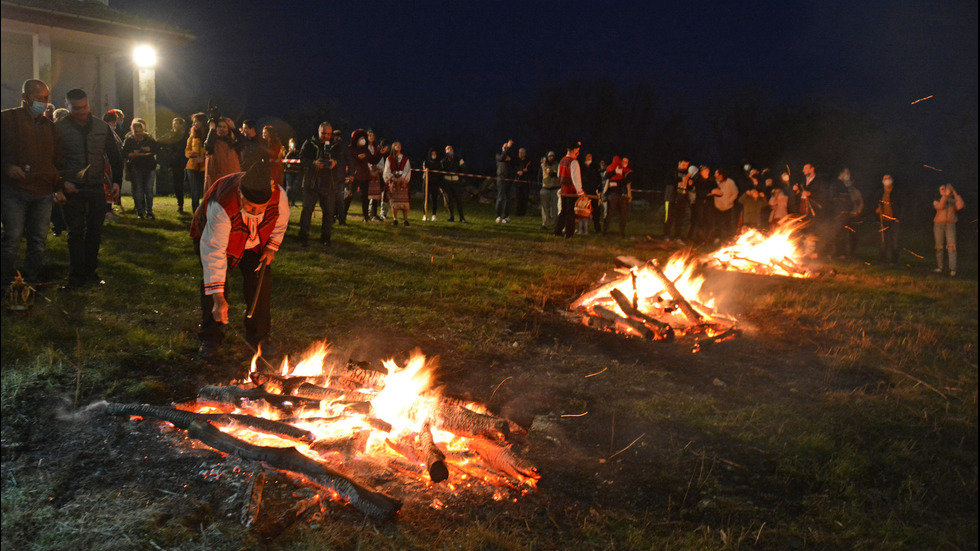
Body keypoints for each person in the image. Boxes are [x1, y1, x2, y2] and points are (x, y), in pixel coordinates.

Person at [190, 158, 289, 361]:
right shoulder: (222, 206)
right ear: (240, 194)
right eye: (249, 206)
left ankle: (259, 337)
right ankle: (210, 337)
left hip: (254, 241)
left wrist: (271, 247)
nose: (253, 212)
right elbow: (214, 254)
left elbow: (280, 224)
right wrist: (219, 299)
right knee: (214, 286)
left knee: (260, 282)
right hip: (216, 240)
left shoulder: (279, 197)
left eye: (258, 210)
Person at [55, 88, 123, 289]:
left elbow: (114, 156)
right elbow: (52, 159)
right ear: (67, 107)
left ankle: (90, 271)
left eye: (84, 107)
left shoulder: (102, 127)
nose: (82, 111)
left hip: (95, 187)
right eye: (76, 108)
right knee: (75, 232)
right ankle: (76, 275)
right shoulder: (58, 129)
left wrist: (117, 181)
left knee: (95, 231)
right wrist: (59, 183)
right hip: (71, 187)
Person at [1, 79, 63, 287]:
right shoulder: (7, 120)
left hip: (43, 192)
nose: (43, 103)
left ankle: (30, 279)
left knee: (38, 240)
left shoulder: (50, 128)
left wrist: (59, 185)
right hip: (14, 191)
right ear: (24, 98)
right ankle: (5, 281)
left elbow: (56, 160)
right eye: (38, 98)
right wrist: (6, 167)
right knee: (12, 238)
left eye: (46, 98)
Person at [299, 121, 349, 246]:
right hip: (312, 182)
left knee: (328, 212)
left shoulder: (336, 145)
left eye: (328, 134)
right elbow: (302, 158)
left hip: (329, 183)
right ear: (318, 131)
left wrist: (334, 162)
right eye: (323, 133)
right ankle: (303, 236)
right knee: (307, 210)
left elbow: (341, 160)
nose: (326, 136)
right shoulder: (309, 143)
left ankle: (326, 238)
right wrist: (314, 163)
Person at [121, 120, 160, 219]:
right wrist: (131, 154)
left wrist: (149, 149)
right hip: (136, 167)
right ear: (132, 131)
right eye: (136, 132)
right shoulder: (129, 140)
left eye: (140, 131)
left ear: (143, 130)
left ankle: (149, 212)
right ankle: (139, 212)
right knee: (138, 190)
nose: (138, 134)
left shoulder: (149, 139)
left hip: (149, 166)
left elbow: (157, 149)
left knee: (149, 190)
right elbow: (123, 152)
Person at [932, 183, 964, 276]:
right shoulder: (936, 201)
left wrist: (954, 192)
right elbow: (941, 206)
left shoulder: (952, 201)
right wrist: (945, 196)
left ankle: (953, 269)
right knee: (939, 247)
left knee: (951, 247)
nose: (944, 190)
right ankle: (940, 267)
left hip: (950, 225)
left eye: (945, 189)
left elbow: (960, 206)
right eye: (942, 189)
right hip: (939, 225)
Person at [554, 140, 584, 239]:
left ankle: (557, 231)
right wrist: (580, 191)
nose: (578, 152)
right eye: (577, 149)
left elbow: (559, 175)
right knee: (570, 213)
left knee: (563, 211)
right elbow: (576, 178)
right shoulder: (573, 162)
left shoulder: (562, 160)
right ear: (574, 149)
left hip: (563, 191)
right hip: (571, 192)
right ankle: (569, 233)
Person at [159, 117, 189, 214]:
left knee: (188, 184)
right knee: (178, 184)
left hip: (186, 161)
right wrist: (168, 153)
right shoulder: (171, 135)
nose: (174, 126)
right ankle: (180, 204)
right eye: (174, 124)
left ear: (181, 125)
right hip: (176, 163)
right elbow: (160, 141)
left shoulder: (186, 136)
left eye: (177, 124)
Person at [204, 117, 242, 191]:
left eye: (224, 127)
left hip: (231, 179)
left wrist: (234, 128)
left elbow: (242, 142)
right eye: (219, 127)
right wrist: (212, 129)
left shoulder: (232, 144)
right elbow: (208, 145)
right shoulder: (212, 143)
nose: (222, 129)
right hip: (215, 179)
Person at [833, 168, 864, 258]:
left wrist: (859, 210)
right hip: (844, 214)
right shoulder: (840, 188)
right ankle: (841, 253)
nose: (847, 176)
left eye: (848, 173)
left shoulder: (855, 190)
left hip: (853, 215)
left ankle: (853, 253)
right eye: (846, 173)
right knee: (841, 234)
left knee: (853, 236)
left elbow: (861, 202)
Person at [872, 174, 901, 266]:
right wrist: (876, 210)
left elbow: (901, 205)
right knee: (883, 241)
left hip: (894, 220)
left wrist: (898, 217)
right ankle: (882, 260)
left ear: (892, 180)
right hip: (882, 220)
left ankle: (894, 261)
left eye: (889, 178)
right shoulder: (880, 192)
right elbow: (874, 204)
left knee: (895, 241)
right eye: (885, 178)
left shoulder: (896, 192)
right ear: (882, 181)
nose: (887, 180)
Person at [602, 156, 632, 238]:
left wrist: (615, 183)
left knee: (617, 214)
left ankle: (608, 232)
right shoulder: (620, 170)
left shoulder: (619, 170)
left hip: (618, 195)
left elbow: (625, 182)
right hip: (616, 195)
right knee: (616, 214)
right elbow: (624, 182)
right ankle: (612, 232)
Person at [384, 142, 412, 226]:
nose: (398, 146)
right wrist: (392, 178)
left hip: (403, 183)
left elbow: (407, 170)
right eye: (396, 145)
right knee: (394, 202)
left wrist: (402, 178)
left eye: (399, 145)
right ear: (393, 147)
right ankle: (395, 219)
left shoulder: (405, 159)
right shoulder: (389, 158)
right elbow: (387, 170)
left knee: (404, 202)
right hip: (393, 182)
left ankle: (406, 219)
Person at [665, 160, 693, 243]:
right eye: (683, 164)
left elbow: (689, 188)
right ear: (679, 163)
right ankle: (666, 236)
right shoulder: (673, 172)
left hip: (683, 199)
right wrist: (681, 179)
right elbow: (669, 181)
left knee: (680, 219)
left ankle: (677, 237)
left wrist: (690, 184)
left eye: (687, 165)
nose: (685, 167)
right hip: (672, 199)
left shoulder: (688, 174)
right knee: (669, 218)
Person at [184, 113, 207, 213]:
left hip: (204, 168)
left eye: (197, 122)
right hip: (192, 167)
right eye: (193, 122)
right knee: (194, 192)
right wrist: (190, 153)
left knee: (205, 192)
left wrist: (203, 158)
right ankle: (196, 213)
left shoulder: (208, 136)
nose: (195, 124)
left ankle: (205, 213)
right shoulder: (192, 136)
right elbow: (186, 150)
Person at [709, 168, 738, 242]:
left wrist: (729, 201)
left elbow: (735, 193)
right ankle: (717, 237)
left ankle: (728, 238)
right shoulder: (714, 182)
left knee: (728, 223)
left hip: (728, 207)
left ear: (720, 175)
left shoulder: (730, 182)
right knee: (717, 223)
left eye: (716, 173)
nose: (715, 175)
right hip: (718, 206)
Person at [441, 145, 467, 222]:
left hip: (456, 183)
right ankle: (451, 217)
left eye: (450, 149)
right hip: (447, 183)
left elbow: (464, 169)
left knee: (459, 200)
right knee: (449, 201)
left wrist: (461, 179)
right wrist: (441, 186)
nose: (449, 150)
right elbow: (440, 174)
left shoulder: (459, 159)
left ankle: (462, 217)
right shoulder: (443, 161)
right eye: (447, 149)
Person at [579, 152, 603, 234]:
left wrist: (599, 190)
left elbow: (599, 180)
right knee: (581, 212)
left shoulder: (595, 167)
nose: (589, 158)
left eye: (590, 156)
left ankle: (598, 229)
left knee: (596, 212)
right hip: (583, 192)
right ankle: (582, 229)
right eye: (587, 156)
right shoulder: (581, 167)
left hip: (593, 192)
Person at [495, 139, 515, 223]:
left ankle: (506, 216)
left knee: (508, 199)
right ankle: (498, 216)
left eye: (507, 147)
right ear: (502, 148)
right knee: (500, 198)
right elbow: (502, 157)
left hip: (509, 179)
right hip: (501, 179)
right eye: (505, 147)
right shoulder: (498, 155)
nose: (507, 148)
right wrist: (508, 147)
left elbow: (514, 163)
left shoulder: (511, 157)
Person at [539, 151, 559, 230]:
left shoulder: (557, 165)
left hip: (554, 188)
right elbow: (539, 176)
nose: (551, 158)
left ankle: (555, 223)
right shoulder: (543, 165)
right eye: (550, 156)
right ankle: (545, 223)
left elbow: (558, 175)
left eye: (552, 156)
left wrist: (552, 173)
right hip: (545, 188)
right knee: (544, 208)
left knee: (555, 208)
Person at [422, 148, 442, 221]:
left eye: (435, 154)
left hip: (435, 182)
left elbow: (439, 172)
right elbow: (425, 171)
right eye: (432, 154)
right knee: (425, 198)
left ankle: (434, 214)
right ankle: (425, 214)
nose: (434, 155)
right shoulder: (426, 162)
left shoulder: (438, 163)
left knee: (434, 199)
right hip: (427, 182)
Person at [262, 125, 284, 191]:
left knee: (274, 186)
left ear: (270, 133)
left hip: (273, 168)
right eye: (263, 133)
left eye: (265, 132)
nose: (263, 134)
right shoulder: (262, 142)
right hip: (264, 167)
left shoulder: (276, 143)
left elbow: (275, 154)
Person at [282, 138, 302, 207]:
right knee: (289, 187)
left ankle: (293, 202)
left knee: (295, 188)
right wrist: (289, 153)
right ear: (289, 144)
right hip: (289, 172)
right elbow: (285, 159)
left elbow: (300, 159)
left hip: (296, 172)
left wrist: (295, 152)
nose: (292, 144)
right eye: (291, 143)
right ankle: (286, 202)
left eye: (293, 143)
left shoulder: (298, 152)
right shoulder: (286, 151)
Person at [515, 148, 532, 217]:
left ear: (525, 153)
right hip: (518, 182)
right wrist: (517, 172)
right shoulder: (516, 161)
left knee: (525, 198)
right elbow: (513, 169)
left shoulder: (528, 161)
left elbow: (532, 170)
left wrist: (527, 170)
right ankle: (517, 213)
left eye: (522, 152)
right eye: (519, 152)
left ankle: (523, 213)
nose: (520, 154)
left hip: (525, 182)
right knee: (518, 198)